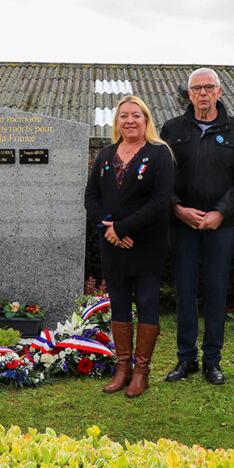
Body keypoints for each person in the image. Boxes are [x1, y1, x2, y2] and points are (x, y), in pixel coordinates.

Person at [160, 68, 234, 385]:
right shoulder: (171, 130)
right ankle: (186, 360)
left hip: (219, 227)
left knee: (215, 292)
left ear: (219, 91)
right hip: (182, 225)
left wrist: (220, 213)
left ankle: (213, 361)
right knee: (185, 293)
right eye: (197, 88)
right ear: (189, 94)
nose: (202, 93)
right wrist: (177, 208)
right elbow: (163, 177)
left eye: (208, 87)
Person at [84, 95, 175, 398]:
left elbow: (161, 201)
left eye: (136, 115)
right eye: (124, 116)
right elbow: (91, 197)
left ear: (146, 120)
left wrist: (122, 228)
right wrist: (109, 229)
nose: (130, 120)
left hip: (146, 243)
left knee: (147, 304)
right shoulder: (106, 154)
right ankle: (122, 367)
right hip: (113, 245)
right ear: (117, 122)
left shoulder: (160, 154)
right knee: (120, 305)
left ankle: (141, 371)